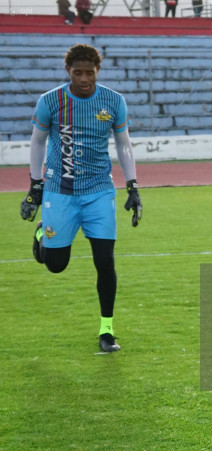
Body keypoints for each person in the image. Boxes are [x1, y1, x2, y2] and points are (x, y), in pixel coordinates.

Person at [21, 44, 142, 354]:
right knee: (56, 265)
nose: (85, 78)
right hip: (59, 191)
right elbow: (37, 142)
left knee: (105, 261)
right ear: (68, 72)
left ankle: (106, 330)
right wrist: (35, 188)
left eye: (90, 72)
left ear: (97, 71)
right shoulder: (52, 101)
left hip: (99, 191)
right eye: (79, 73)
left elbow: (124, 144)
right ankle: (42, 233)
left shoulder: (113, 102)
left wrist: (132, 186)